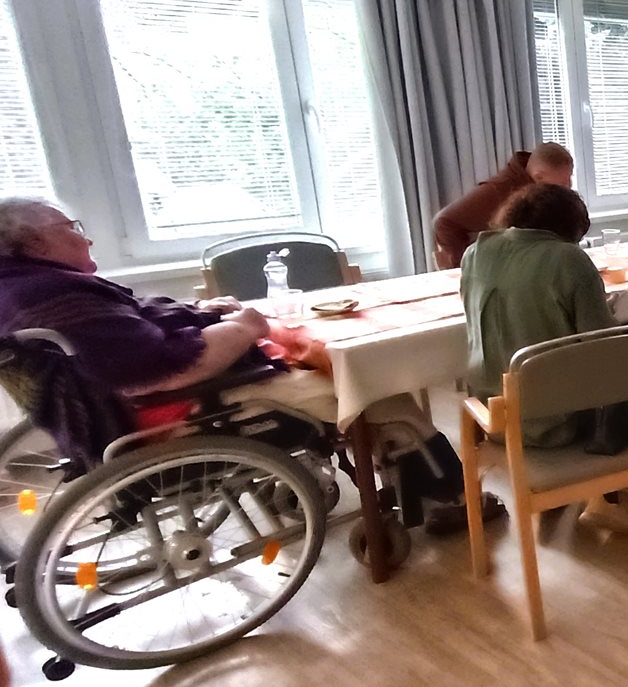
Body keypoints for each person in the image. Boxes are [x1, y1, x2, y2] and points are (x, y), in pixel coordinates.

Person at [0, 196, 493, 531]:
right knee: (377, 388)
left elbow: (132, 331)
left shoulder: (23, 288)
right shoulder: (55, 295)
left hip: (131, 405)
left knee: (332, 359)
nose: (85, 239)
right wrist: (245, 327)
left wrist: (199, 313)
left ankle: (407, 480)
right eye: (72, 229)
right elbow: (162, 369)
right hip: (183, 403)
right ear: (36, 243)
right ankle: (449, 499)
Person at [459, 183, 628, 533]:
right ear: (568, 229)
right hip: (557, 424)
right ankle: (607, 498)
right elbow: (603, 346)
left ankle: (572, 497)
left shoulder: (475, 253)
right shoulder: (569, 259)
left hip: (492, 416)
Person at [433, 143, 574, 269]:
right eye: (563, 182)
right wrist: (464, 269)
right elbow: (444, 222)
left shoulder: (543, 192)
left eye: (570, 178)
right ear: (538, 177)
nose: (569, 186)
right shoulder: (498, 190)